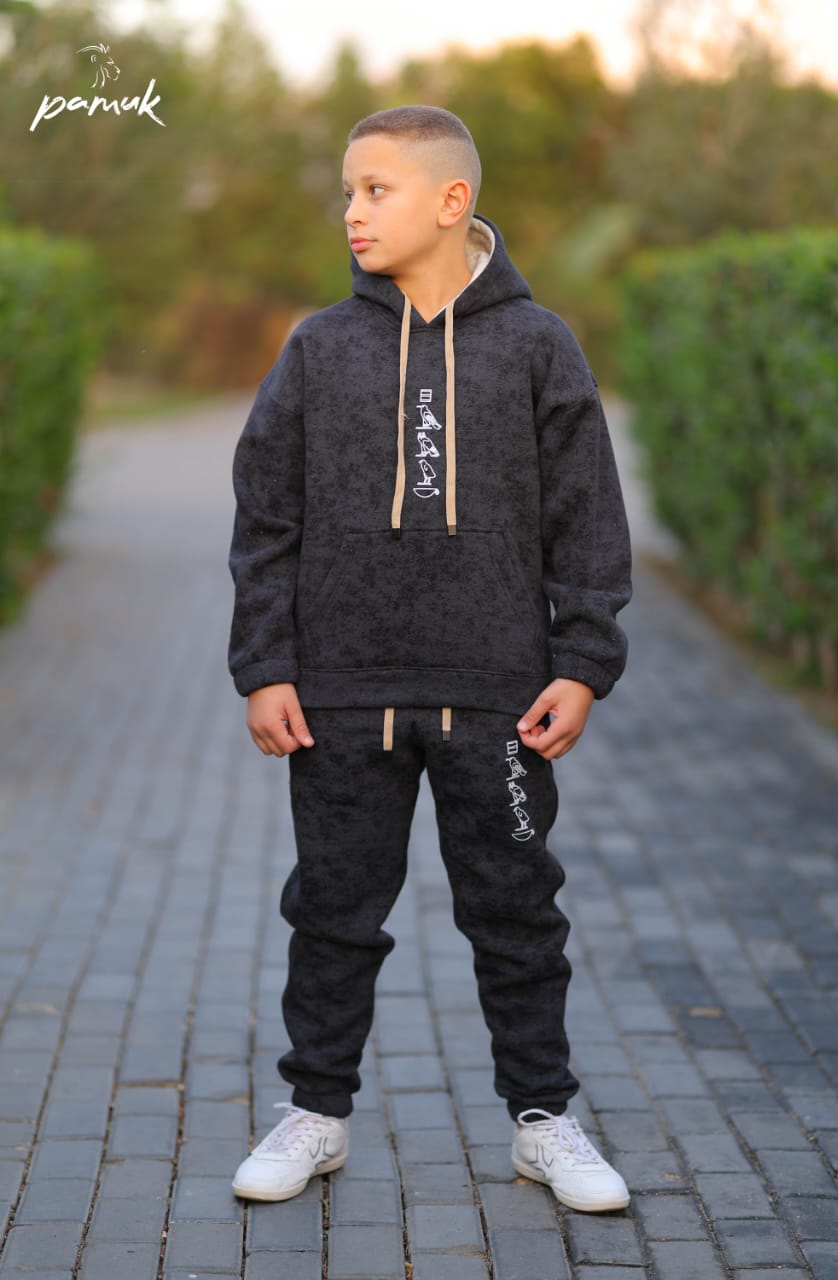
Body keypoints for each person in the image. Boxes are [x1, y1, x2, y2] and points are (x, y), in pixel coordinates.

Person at [227, 105, 632, 1213]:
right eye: (347, 191)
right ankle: (316, 1111)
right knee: (332, 909)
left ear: (452, 201)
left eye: (376, 189)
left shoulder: (537, 344)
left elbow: (587, 516)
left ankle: (543, 1119)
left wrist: (582, 661)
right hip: (340, 695)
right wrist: (265, 664)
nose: (352, 212)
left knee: (517, 909)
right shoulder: (318, 348)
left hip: (499, 696)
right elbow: (264, 517)